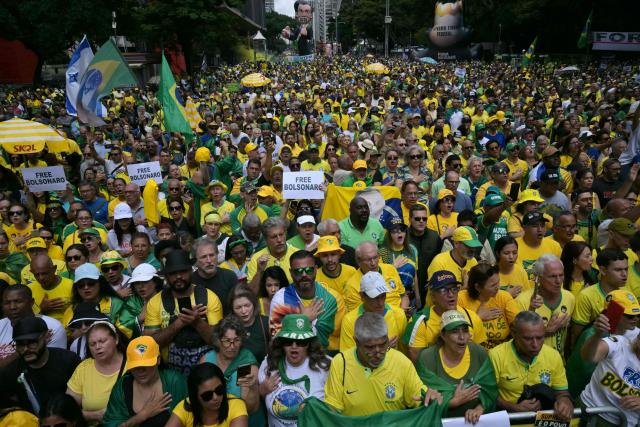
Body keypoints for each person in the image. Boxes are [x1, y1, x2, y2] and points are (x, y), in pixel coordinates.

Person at [324, 312, 442, 416]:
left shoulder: (401, 362)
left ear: (387, 338)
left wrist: (430, 397)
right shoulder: (340, 363)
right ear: (356, 341)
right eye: (370, 347)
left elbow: (420, 398)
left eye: (382, 344)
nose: (378, 352)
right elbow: (332, 410)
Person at [144, 250, 222, 375]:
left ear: (191, 271)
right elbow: (149, 345)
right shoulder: (155, 303)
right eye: (173, 273)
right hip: (170, 372)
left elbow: (218, 342)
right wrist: (179, 323)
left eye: (183, 271)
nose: (178, 277)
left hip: (207, 370)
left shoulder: (209, 298)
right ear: (166, 276)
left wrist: (197, 322)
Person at [415, 310, 498, 423]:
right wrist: (452, 402)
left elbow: (490, 392)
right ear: (443, 335)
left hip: (474, 423)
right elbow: (420, 400)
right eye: (454, 331)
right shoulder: (427, 358)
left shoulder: (479, 353)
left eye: (465, 331)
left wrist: (479, 409)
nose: (462, 337)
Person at [489, 311, 573, 420]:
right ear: (514, 333)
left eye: (540, 338)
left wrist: (565, 401)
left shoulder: (553, 355)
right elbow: (487, 394)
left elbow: (561, 391)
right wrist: (513, 407)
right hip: (508, 418)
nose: (535, 345)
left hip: (542, 419)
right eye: (528, 339)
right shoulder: (496, 355)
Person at [258, 314, 331, 427]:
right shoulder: (270, 363)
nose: (294, 346)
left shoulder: (325, 366)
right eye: (288, 341)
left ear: (309, 343)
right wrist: (262, 390)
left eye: (300, 342)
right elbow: (253, 401)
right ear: (281, 343)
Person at [566, 289, 640, 400]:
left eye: (638, 315)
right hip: (592, 400)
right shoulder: (591, 335)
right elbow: (579, 373)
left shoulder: (637, 334)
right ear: (613, 312)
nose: (635, 319)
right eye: (630, 316)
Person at [0, 317, 80, 413]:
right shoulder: (10, 373)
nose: (26, 349)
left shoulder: (68, 361)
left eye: (32, 343)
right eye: (20, 344)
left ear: (46, 337)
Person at [103, 336, 188, 427]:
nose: (140, 370)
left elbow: (189, 418)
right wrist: (142, 416)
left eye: (146, 365)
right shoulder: (122, 387)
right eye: (135, 366)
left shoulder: (174, 381)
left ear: (158, 360)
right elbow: (110, 423)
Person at [579, 303, 640, 427]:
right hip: (590, 409)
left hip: (622, 422)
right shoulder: (621, 343)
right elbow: (589, 356)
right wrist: (598, 334)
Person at [270, 250, 344, 351]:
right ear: (291, 273)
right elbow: (276, 339)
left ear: (316, 270)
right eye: (298, 271)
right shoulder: (280, 299)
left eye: (309, 270)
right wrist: (304, 319)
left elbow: (339, 337)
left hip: (325, 358)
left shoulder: (332, 298)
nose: (304, 275)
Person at [404, 270, 486, 361]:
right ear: (432, 296)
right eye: (443, 290)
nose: (451, 294)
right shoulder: (420, 322)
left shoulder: (471, 317)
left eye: (454, 289)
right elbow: (418, 363)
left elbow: (481, 356)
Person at [199, 316, 261, 420]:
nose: (232, 347)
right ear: (218, 340)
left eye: (236, 340)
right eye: (227, 341)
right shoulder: (207, 360)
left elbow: (250, 408)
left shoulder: (245, 362)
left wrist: (252, 387)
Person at [66, 321, 127, 423]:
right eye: (92, 344)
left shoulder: (133, 364)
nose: (97, 347)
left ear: (116, 339)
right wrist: (95, 415)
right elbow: (67, 411)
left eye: (102, 341)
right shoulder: (84, 368)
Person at [516, 254, 575, 356]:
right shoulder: (522, 301)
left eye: (561, 275)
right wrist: (547, 331)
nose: (558, 281)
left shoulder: (569, 298)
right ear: (538, 278)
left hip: (558, 364)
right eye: (552, 276)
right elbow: (516, 338)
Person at [62, 263, 137, 339]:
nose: (86, 287)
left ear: (100, 283)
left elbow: (125, 332)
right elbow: (64, 337)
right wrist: (73, 336)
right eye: (81, 285)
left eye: (91, 283)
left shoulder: (116, 304)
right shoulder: (72, 309)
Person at [572, 248, 629, 346]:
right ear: (602, 270)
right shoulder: (586, 296)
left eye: (626, 269)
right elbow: (578, 336)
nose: (624, 274)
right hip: (593, 351)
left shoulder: (627, 294)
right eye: (618, 270)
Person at [458, 263, 521, 349]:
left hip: (502, 352)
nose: (497, 287)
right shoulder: (461, 299)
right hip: (473, 352)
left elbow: (520, 326)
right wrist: (477, 317)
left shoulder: (504, 296)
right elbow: (458, 335)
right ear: (478, 287)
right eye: (492, 285)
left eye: (498, 282)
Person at [0, 285, 66, 366]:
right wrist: (20, 349)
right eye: (7, 303)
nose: (12, 307)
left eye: (18, 301)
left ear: (31, 302)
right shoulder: (1, 325)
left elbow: (49, 366)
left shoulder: (53, 327)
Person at [340, 271, 407, 352]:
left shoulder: (398, 315)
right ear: (362, 296)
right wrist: (383, 348)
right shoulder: (350, 321)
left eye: (383, 296)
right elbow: (348, 358)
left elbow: (404, 353)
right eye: (374, 297)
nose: (380, 303)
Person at [167, 362, 248, 427]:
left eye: (219, 390)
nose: (215, 397)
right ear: (195, 397)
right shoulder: (185, 407)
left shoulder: (236, 405)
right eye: (207, 395)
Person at [343, 241, 407, 312]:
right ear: (358, 261)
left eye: (375, 257)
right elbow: (359, 316)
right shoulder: (352, 286)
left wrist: (402, 312)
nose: (373, 263)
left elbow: (403, 296)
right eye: (368, 259)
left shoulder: (390, 269)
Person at [247, 218, 298, 295]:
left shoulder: (297, 255)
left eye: (281, 234)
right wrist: (259, 271)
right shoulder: (256, 258)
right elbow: (251, 295)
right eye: (274, 237)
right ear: (265, 239)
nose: (279, 240)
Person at [191, 238, 238, 316]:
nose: (209, 260)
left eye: (212, 255)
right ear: (196, 260)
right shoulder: (190, 281)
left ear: (217, 255)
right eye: (203, 257)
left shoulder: (230, 277)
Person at [407, 204, 441, 307]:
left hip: (430, 286)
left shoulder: (434, 237)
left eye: (424, 218)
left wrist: (433, 278)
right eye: (417, 218)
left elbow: (439, 260)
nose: (421, 221)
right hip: (409, 288)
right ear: (410, 219)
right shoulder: (403, 237)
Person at [379, 218, 419, 302]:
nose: (399, 232)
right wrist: (393, 267)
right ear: (389, 234)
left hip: (410, 296)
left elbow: (415, 276)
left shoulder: (412, 250)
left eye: (402, 230)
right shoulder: (383, 252)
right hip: (392, 296)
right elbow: (379, 279)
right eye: (395, 231)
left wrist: (418, 298)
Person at [229, 285, 270, 364]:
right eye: (238, 308)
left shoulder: (266, 323)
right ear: (232, 310)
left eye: (247, 305)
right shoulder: (228, 328)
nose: (244, 311)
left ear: (254, 304)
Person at [27, 254, 74, 323]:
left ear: (54, 269)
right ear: (32, 272)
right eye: (37, 274)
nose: (41, 278)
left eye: (44, 273)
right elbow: (27, 321)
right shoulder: (29, 290)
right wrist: (42, 310)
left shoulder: (71, 286)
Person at [516, 211, 562, 281]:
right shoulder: (514, 246)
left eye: (542, 226)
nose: (539, 230)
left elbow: (559, 272)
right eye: (535, 226)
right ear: (524, 228)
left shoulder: (554, 246)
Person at [125, 263, 163, 333]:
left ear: (155, 282)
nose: (140, 286)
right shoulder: (132, 302)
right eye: (137, 283)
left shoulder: (166, 298)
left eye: (145, 281)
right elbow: (122, 328)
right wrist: (139, 318)